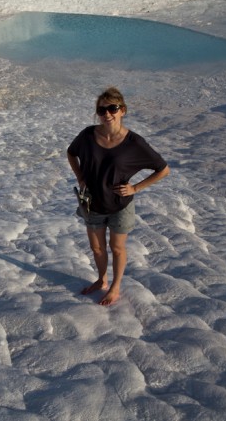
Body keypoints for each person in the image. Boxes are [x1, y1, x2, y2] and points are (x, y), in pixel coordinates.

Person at [67, 87, 170, 306]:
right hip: (92, 203)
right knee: (96, 248)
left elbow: (163, 169)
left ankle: (115, 287)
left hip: (120, 205)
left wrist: (136, 188)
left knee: (117, 248)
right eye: (102, 109)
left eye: (112, 108)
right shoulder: (87, 135)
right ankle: (101, 280)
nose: (107, 114)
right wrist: (80, 178)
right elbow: (71, 152)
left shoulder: (134, 142)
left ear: (122, 110)